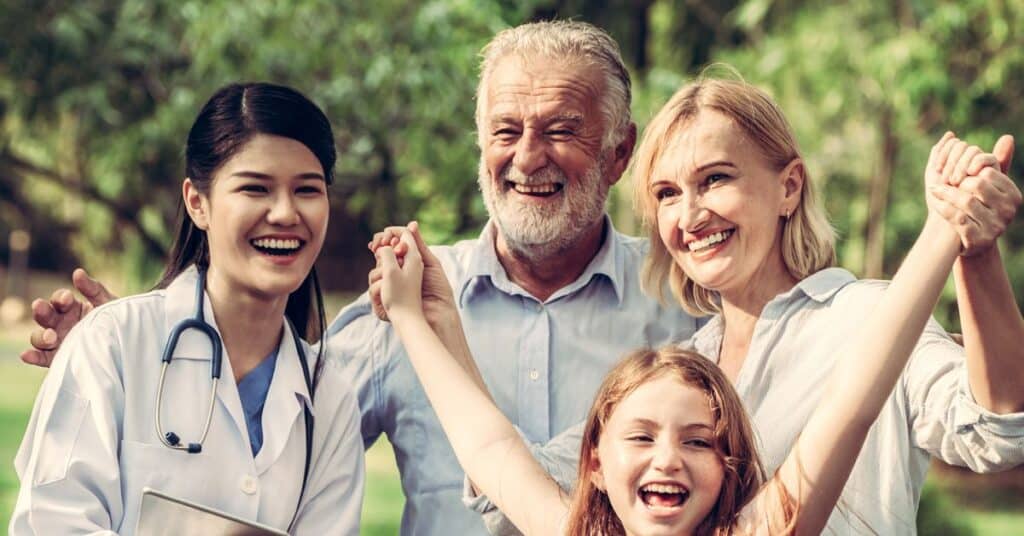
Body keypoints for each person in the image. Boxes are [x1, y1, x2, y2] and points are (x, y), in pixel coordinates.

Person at [19, 22, 701, 535]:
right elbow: (254, 415)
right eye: (504, 130)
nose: (527, 156)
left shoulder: (685, 312)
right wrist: (126, 350)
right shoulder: (401, 300)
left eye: (561, 129)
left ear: (619, 152)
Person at [449, 79, 1024, 533]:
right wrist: (432, 315)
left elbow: (998, 429)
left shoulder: (870, 316)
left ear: (789, 187)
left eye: (715, 178)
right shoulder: (681, 369)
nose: (691, 214)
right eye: (667, 194)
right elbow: (519, 479)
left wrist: (973, 254)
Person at [10, 83, 364, 535]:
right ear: (198, 202)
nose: (284, 213)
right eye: (255, 188)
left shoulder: (328, 396)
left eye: (307, 190)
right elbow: (52, 523)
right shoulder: (111, 343)